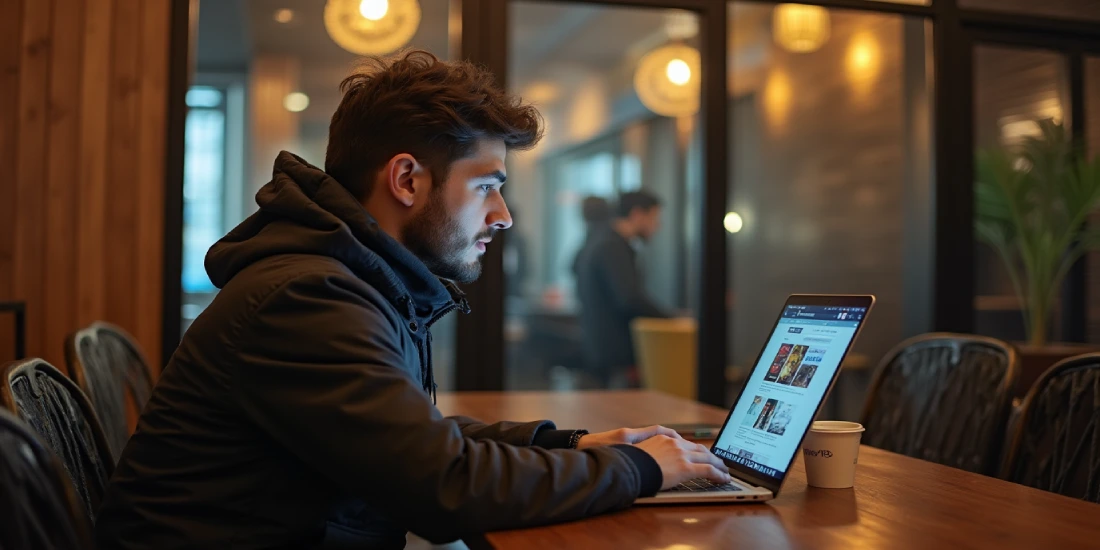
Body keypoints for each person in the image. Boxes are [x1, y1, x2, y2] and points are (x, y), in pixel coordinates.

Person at [94, 50, 730, 549]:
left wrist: (569, 446)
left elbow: (414, 441)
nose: (503, 214)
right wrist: (639, 469)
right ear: (406, 180)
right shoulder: (309, 297)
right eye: (485, 186)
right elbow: (443, 487)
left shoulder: (347, 282)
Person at [573, 190, 670, 388]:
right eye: (654, 218)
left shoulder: (600, 240)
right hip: (614, 354)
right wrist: (672, 319)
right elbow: (629, 298)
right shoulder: (612, 247)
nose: (657, 226)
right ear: (637, 215)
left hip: (600, 348)